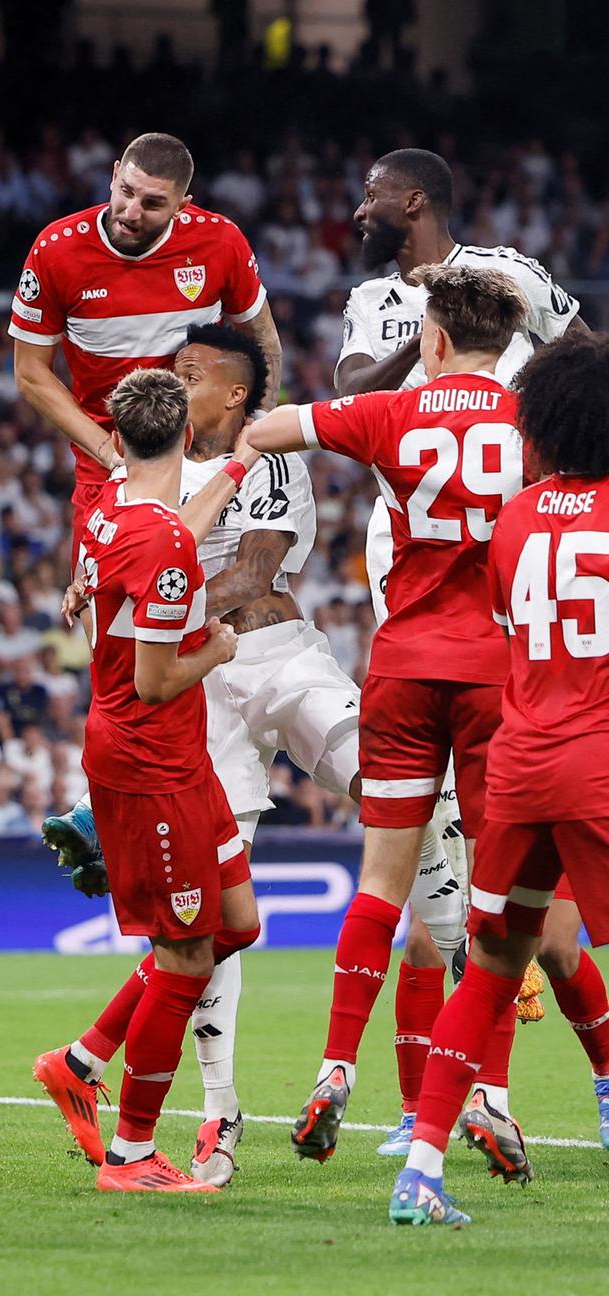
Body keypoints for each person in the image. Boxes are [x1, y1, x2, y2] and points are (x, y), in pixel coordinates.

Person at [38, 322, 462, 1188]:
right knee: (211, 928)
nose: (177, 377)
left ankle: (474, 969)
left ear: (234, 394)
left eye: (193, 371)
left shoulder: (266, 463)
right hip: (194, 696)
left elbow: (254, 574)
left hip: (274, 660)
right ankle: (217, 1116)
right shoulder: (141, 483)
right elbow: (114, 599)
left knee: (401, 782)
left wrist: (141, 585)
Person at [335, 146, 595, 1153]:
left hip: (512, 584)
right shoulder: (373, 300)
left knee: (482, 874)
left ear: (412, 201)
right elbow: (358, 383)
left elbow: (588, 356)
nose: (359, 209)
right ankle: (430, 1104)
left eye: (371, 196)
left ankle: (474, 1095)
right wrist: (441, 355)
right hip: (405, 570)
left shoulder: (516, 272)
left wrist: (495, 360)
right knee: (435, 867)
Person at [248, 264, 529, 1162]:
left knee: (380, 885)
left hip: (404, 668)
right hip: (496, 675)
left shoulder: (392, 413)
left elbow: (269, 429)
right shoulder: (532, 423)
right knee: (495, 897)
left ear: (433, 340)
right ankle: (487, 1091)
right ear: (507, 347)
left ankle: (335, 1067)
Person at [388, 332, 609, 1226]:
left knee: (486, 969)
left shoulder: (515, 519)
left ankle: (422, 1170)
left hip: (520, 767)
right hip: (597, 763)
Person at [34, 366, 259, 1193]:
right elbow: (163, 677)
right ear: (186, 436)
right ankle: (130, 1153)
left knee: (236, 926)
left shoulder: (111, 510)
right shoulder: (158, 540)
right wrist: (222, 648)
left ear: (119, 438)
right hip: (149, 762)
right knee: (187, 953)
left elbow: (176, 533)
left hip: (177, 759)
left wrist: (235, 469)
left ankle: (82, 1058)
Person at [10, 130, 282, 587]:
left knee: (216, 606)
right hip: (109, 464)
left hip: (202, 463)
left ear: (183, 204)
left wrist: (257, 421)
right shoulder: (57, 250)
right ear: (114, 175)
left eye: (153, 204)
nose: (131, 213)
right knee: (104, 612)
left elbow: (265, 340)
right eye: (126, 192)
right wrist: (107, 452)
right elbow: (30, 372)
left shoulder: (219, 241)